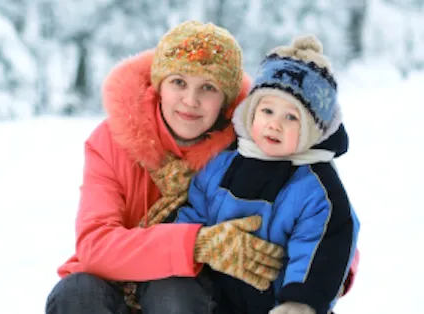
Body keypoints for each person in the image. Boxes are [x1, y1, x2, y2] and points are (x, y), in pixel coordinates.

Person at [45, 20, 285, 314]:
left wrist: (326, 271)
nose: (190, 100)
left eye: (208, 87)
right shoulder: (113, 139)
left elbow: (319, 210)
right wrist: (196, 244)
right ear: (160, 86)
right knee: (77, 293)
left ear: (226, 100)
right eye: (179, 82)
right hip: (114, 288)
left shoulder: (253, 143)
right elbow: (95, 244)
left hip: (202, 297)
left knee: (172, 291)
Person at [174, 35, 360, 314]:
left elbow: (323, 246)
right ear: (251, 113)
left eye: (291, 117)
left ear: (312, 129)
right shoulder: (220, 167)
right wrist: (186, 242)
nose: (275, 124)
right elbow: (192, 213)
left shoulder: (316, 187)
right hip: (218, 302)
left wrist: (300, 302)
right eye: (268, 111)